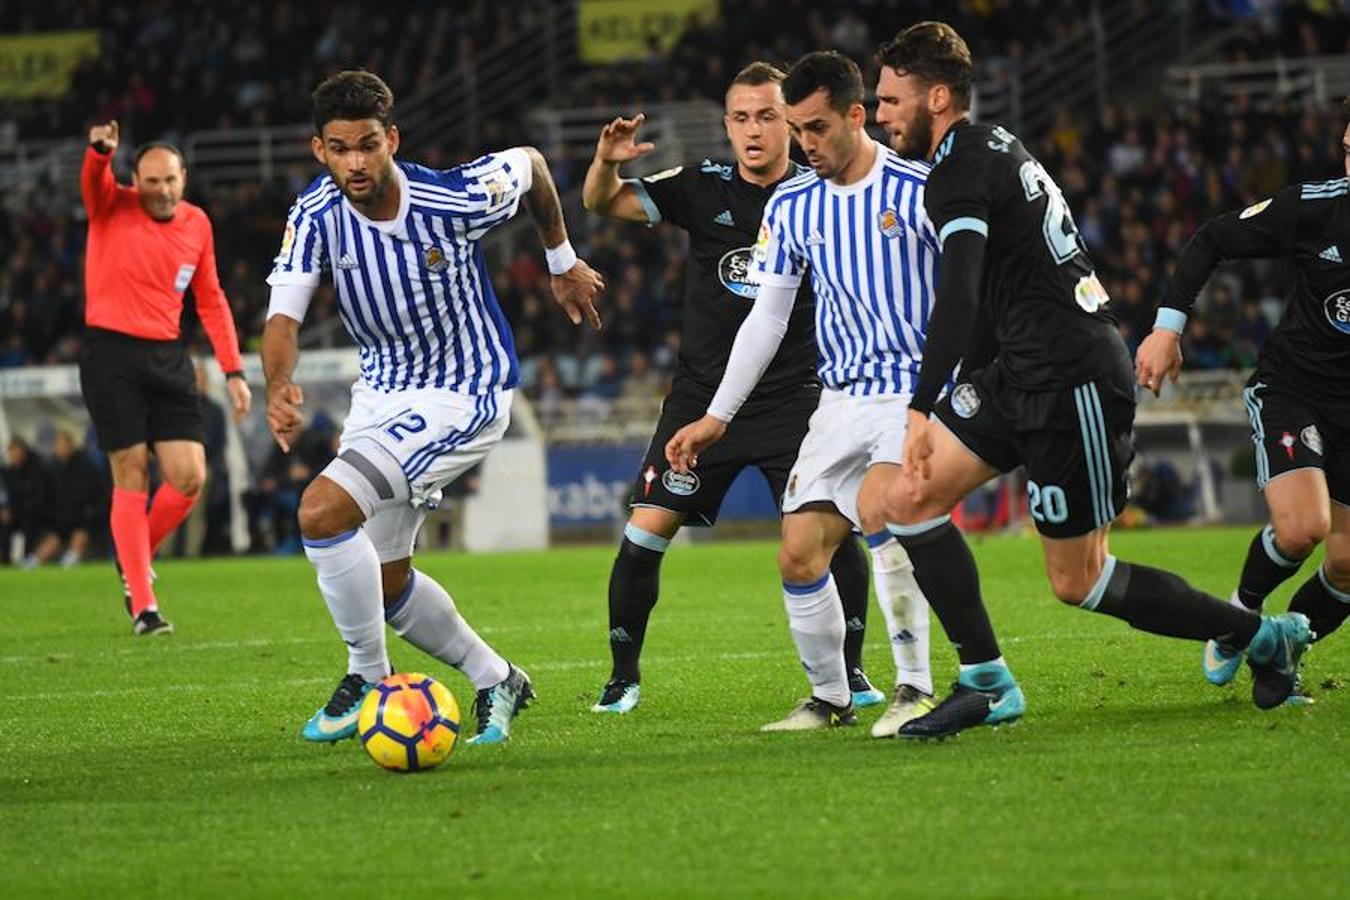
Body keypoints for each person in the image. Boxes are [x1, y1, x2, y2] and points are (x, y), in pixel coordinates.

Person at [871, 21, 1312, 740]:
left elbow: (958, 292)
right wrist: (964, 392)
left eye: (891, 100)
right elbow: (986, 299)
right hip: (1020, 369)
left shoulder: (959, 168)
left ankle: (1264, 637)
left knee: (1080, 581)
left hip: (1071, 375)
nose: (882, 114)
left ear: (938, 97)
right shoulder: (984, 149)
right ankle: (988, 680)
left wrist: (923, 408)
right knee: (907, 498)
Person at [263, 71, 604, 746]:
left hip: (464, 391)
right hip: (382, 395)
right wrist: (278, 383)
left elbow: (533, 166)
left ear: (392, 139)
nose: (355, 162)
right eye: (339, 148)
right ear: (319, 150)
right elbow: (283, 315)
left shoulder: (454, 197)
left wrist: (561, 259)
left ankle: (367, 675)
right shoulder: (314, 216)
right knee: (385, 587)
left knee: (321, 511)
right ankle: (496, 676)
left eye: (367, 145)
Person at [580, 61, 882, 716]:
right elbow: (602, 202)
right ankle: (622, 676)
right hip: (699, 400)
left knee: (829, 535)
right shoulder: (700, 185)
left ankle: (852, 672)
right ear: (726, 124)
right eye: (741, 117)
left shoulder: (818, 192)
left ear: (791, 123)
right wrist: (606, 163)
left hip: (795, 398)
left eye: (768, 117)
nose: (754, 130)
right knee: (644, 535)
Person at [667, 52, 938, 734]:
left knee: (883, 517)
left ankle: (914, 688)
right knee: (797, 551)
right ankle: (830, 697)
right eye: (797, 128)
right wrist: (716, 416)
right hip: (839, 400)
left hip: (910, 391)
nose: (805, 143)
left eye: (815, 128)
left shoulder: (917, 189)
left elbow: (970, 292)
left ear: (855, 114)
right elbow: (767, 315)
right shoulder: (790, 204)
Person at [1135, 99, 1350, 686]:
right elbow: (1213, 239)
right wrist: (1166, 329)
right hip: (1295, 388)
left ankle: (1276, 651)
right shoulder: (1318, 207)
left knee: (1349, 564)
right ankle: (1239, 616)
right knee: (1303, 527)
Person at [80, 120, 252, 635]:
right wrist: (98, 155)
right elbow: (94, 184)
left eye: (170, 180)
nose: (162, 190)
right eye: (151, 181)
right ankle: (145, 605)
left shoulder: (197, 223)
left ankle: (132, 556)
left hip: (167, 355)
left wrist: (234, 371)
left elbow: (211, 298)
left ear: (184, 178)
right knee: (130, 467)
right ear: (136, 180)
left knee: (190, 476)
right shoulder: (112, 204)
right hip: (111, 352)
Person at [21, 431, 105, 568]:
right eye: (57, 445)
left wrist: (89, 510)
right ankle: (35, 561)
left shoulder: (84, 466)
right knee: (54, 537)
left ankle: (72, 557)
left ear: (71, 445)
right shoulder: (52, 468)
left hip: (84, 514)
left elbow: (92, 493)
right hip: (63, 517)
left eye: (62, 444)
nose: (60, 448)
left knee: (80, 531)